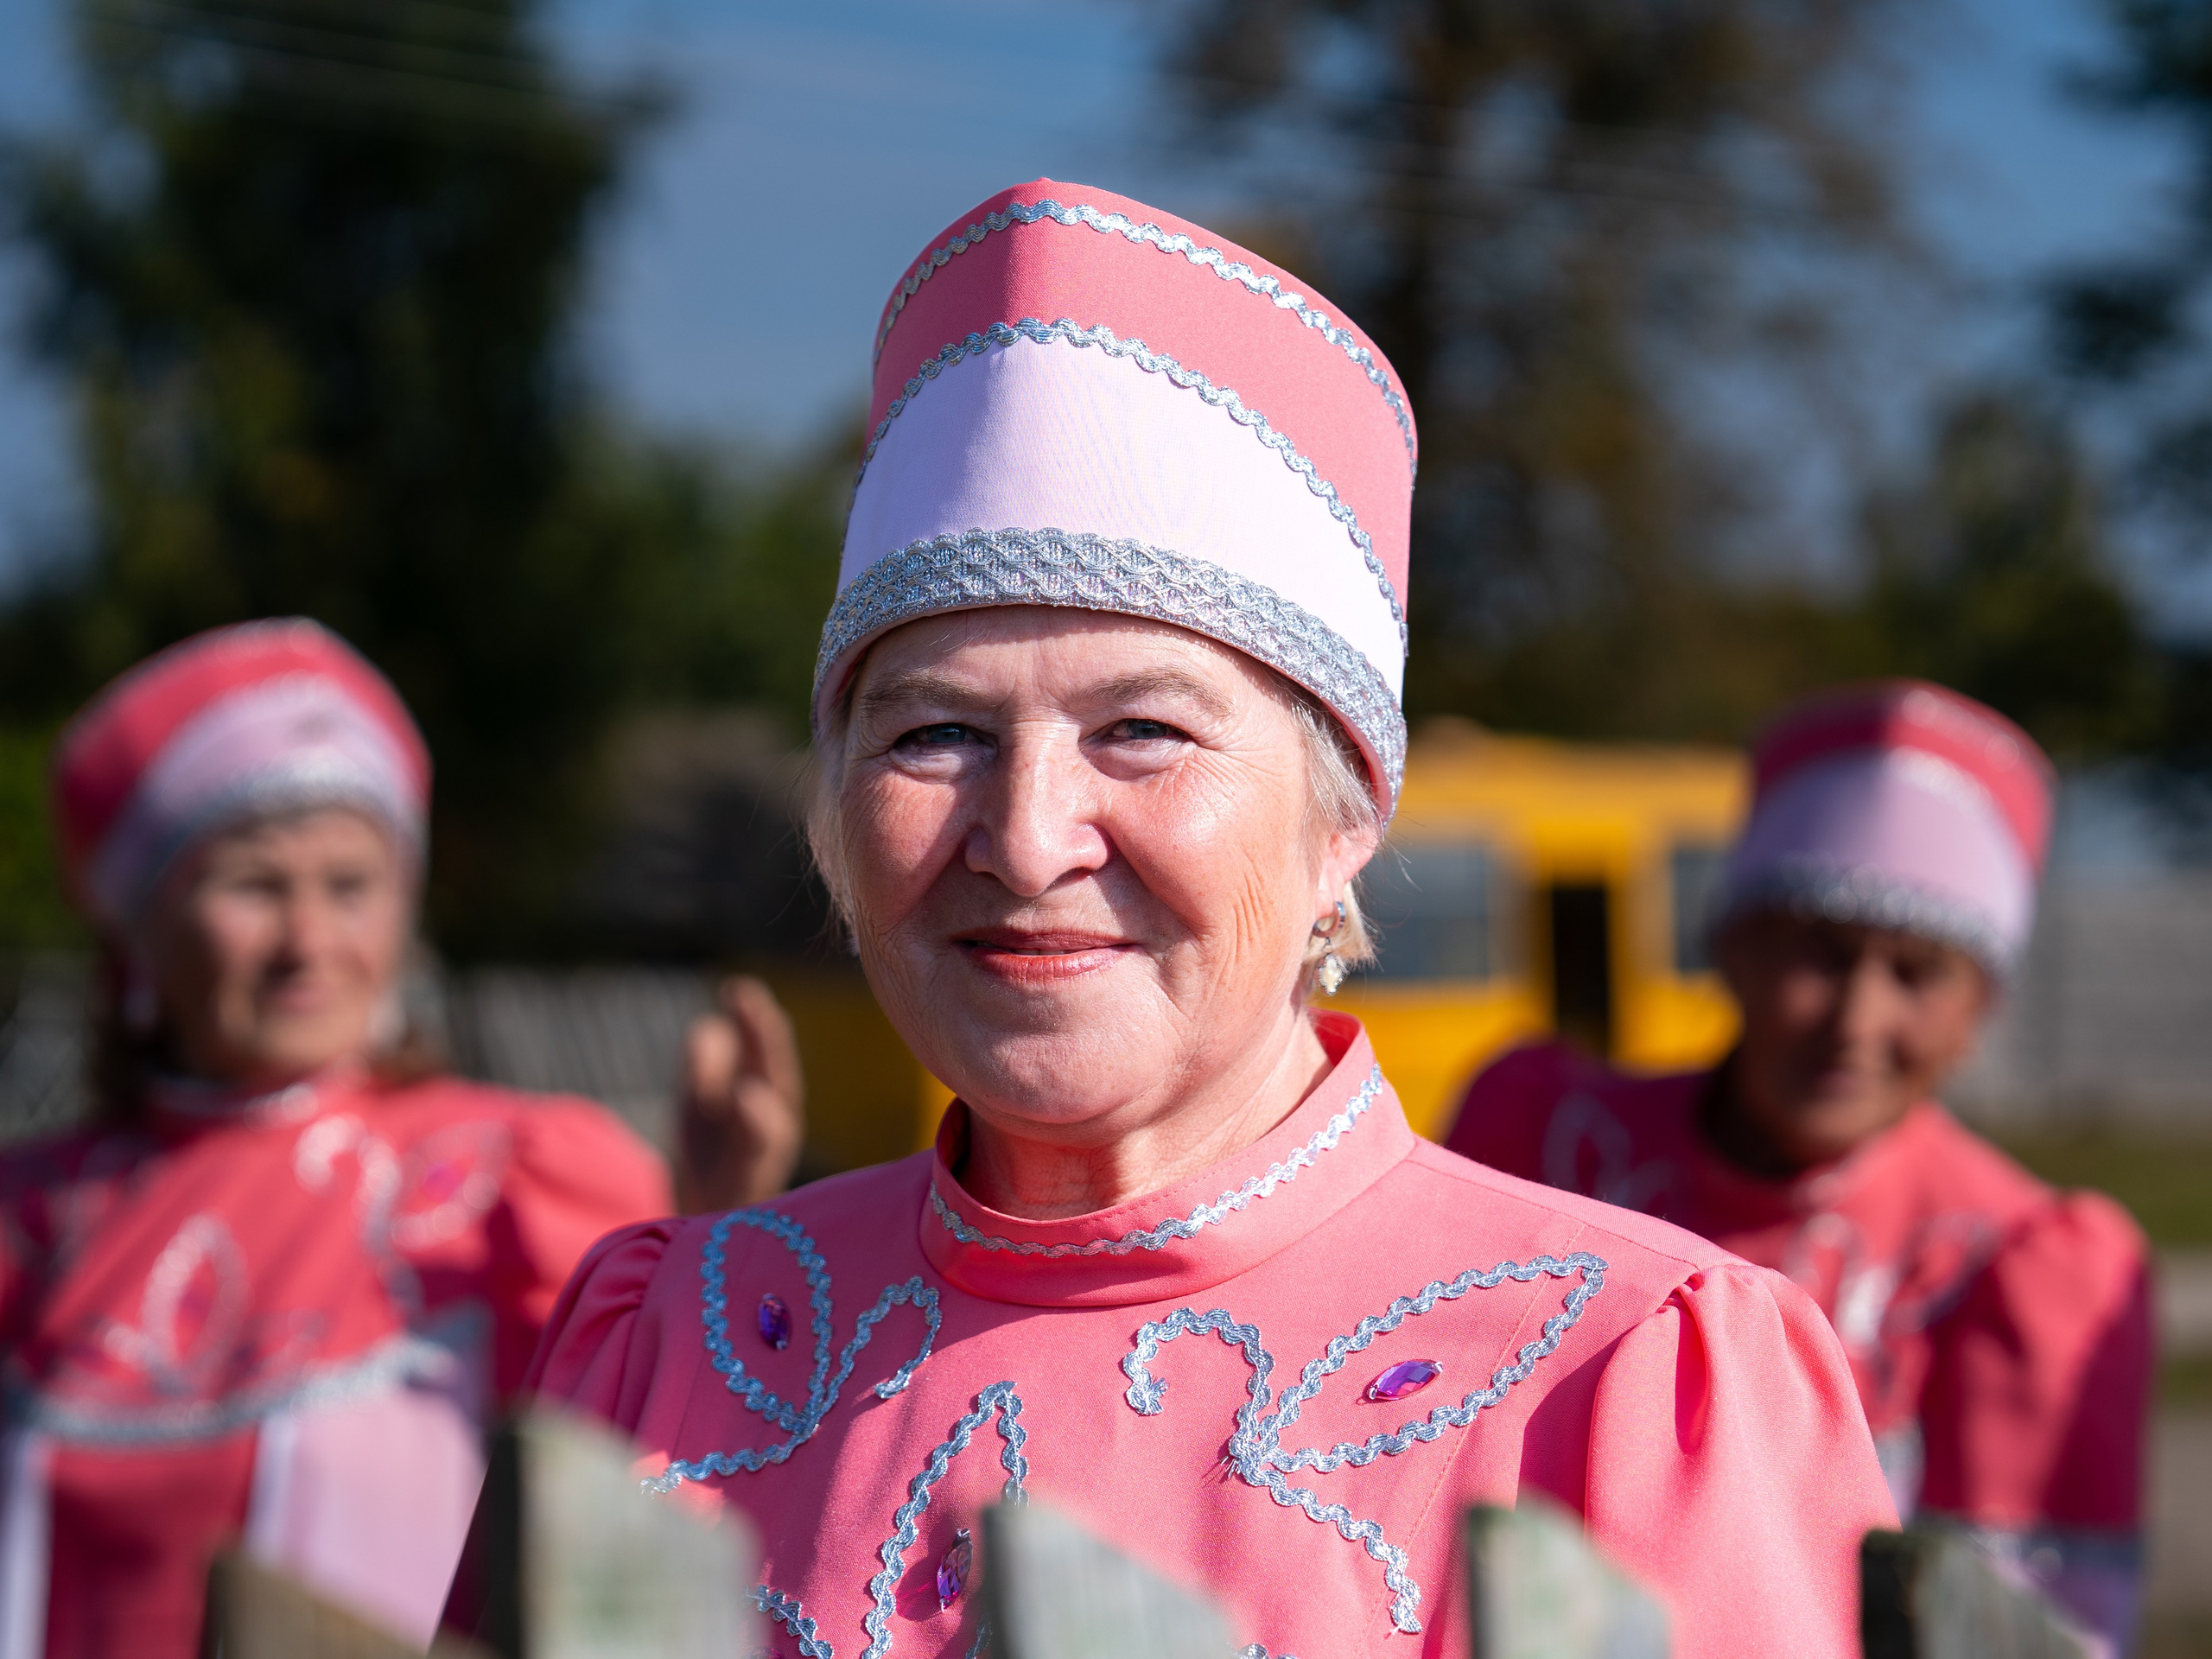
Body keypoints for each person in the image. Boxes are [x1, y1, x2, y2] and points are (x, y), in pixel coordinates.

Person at [509, 180, 1895, 1659]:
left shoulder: (1623, 1378)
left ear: (1342, 821)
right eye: (933, 737)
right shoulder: (669, 1337)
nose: (1029, 839)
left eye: (1144, 731)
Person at [0, 618, 804, 1659]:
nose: (307, 942)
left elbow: (658, 1485)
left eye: (349, 886)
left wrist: (716, 1232)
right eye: (252, 885)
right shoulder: (30, 1224)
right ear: (141, 931)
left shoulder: (513, 1179)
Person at [1446, 680, 2152, 1650]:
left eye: (1915, 974)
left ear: (1979, 1011)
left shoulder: (2019, 1267)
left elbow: (2015, 1630)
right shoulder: (1544, 1137)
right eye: (1819, 954)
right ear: (1731, 947)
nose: (1855, 1024)